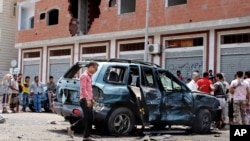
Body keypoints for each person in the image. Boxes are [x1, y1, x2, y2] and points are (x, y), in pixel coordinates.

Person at [67, 61, 98, 140]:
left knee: (90, 118)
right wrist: (88, 99)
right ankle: (72, 127)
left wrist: (92, 99)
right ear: (90, 67)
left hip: (89, 99)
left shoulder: (89, 76)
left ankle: (86, 137)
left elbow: (89, 89)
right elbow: (83, 88)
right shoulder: (84, 76)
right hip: (84, 100)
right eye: (95, 68)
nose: (96, 70)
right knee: (87, 118)